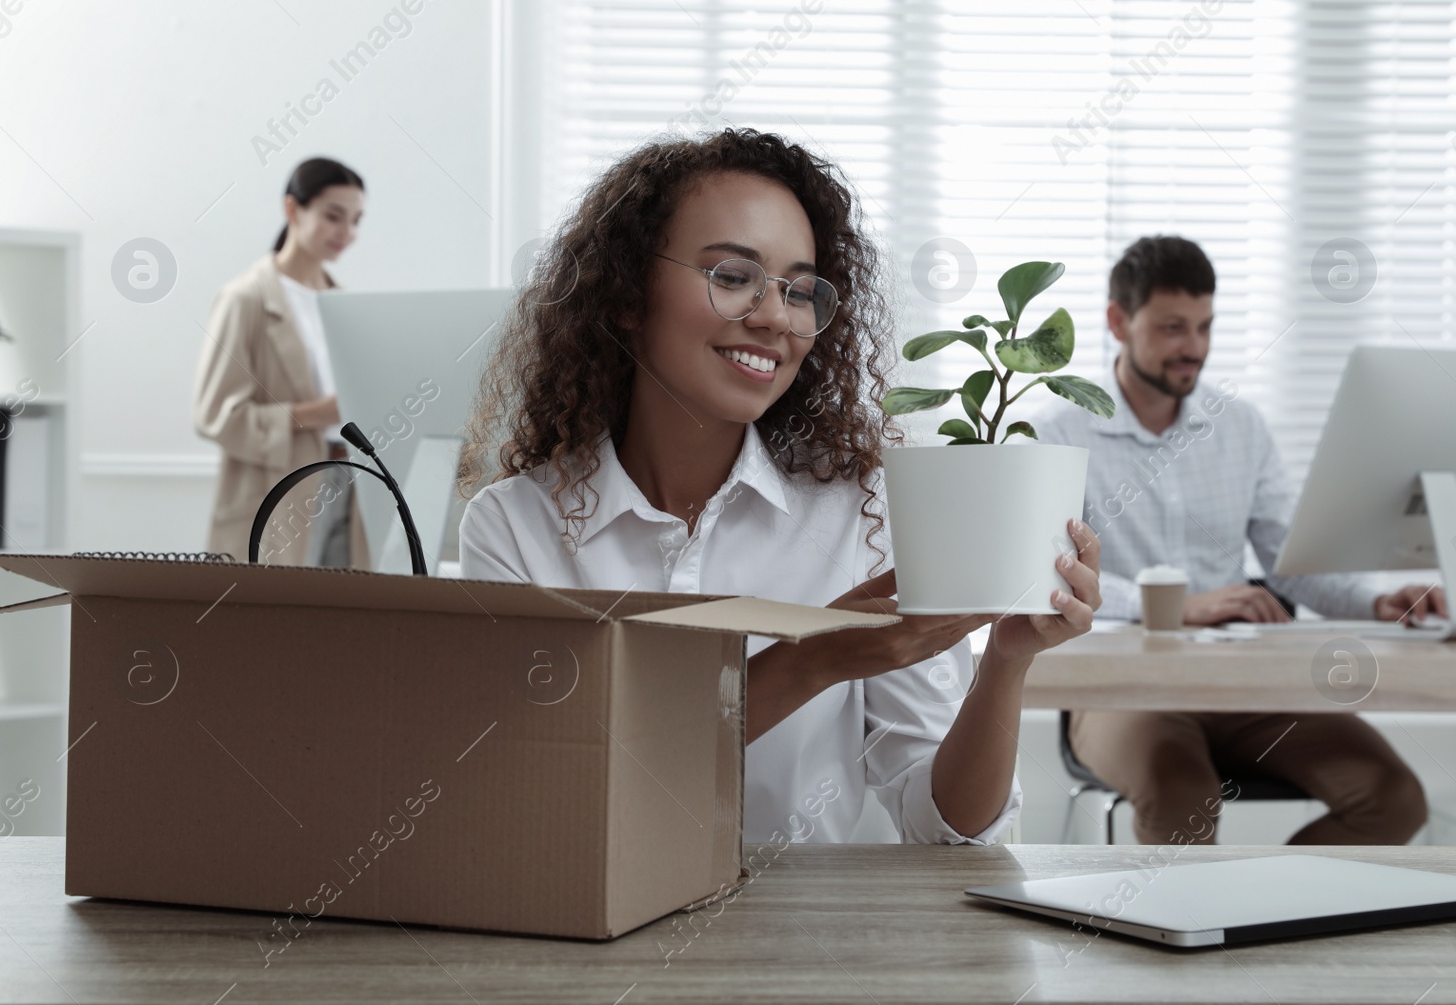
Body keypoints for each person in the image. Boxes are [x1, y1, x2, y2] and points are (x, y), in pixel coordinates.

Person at [457, 129, 1102, 845]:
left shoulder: (864, 512)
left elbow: (944, 828)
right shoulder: (516, 526)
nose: (774, 318)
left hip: (808, 944)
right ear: (625, 295)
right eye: (733, 277)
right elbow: (549, 784)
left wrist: (1005, 663)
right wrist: (813, 658)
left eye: (799, 291)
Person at [1038, 234, 1437, 846]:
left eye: (1204, 327)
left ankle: (1264, 925)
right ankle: (1190, 936)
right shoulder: (1060, 431)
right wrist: (1175, 608)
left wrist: (1375, 601)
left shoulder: (1240, 427)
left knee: (1393, 797)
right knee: (1183, 800)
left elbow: (1289, 559)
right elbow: (1050, 574)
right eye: (1173, 327)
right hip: (1122, 689)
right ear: (1119, 322)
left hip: (1242, 687)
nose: (1193, 348)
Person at [192, 157, 369, 567]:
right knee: (272, 622)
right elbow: (215, 415)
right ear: (292, 209)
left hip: (350, 484)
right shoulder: (246, 299)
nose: (348, 233)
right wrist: (313, 414)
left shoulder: (347, 305)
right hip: (278, 491)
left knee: (346, 621)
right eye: (333, 216)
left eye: (356, 220)